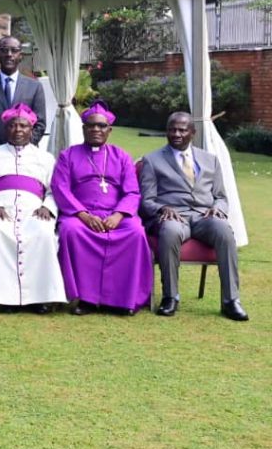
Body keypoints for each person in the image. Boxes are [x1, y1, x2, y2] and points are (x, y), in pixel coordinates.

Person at [139, 111, 249, 321]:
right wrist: (162, 209)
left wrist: (218, 208)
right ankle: (170, 297)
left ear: (193, 133)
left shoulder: (211, 160)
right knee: (169, 231)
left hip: (204, 217)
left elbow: (221, 196)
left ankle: (231, 301)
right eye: (172, 129)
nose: (176, 134)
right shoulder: (152, 161)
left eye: (182, 130)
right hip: (174, 217)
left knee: (224, 230)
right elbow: (146, 201)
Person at [52, 102, 152, 315]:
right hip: (80, 214)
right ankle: (86, 299)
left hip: (116, 214)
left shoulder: (121, 156)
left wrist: (118, 215)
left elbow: (132, 192)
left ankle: (122, 299)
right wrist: (83, 215)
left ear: (109, 130)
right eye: (91, 126)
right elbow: (61, 189)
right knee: (71, 232)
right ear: (83, 129)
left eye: (101, 126)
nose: (96, 130)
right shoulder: (68, 155)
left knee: (136, 232)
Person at [0, 103, 66, 313]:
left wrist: (47, 207)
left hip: (34, 210)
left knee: (43, 233)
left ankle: (40, 298)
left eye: (23, 126)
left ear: (32, 130)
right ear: (6, 129)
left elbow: (55, 190)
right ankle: (5, 298)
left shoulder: (46, 158)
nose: (18, 130)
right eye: (13, 126)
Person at [0, 36, 47, 153]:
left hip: (25, 155)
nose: (9, 54)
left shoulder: (35, 87)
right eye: (4, 50)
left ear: (21, 55)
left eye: (14, 50)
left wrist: (22, 147)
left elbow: (40, 123)